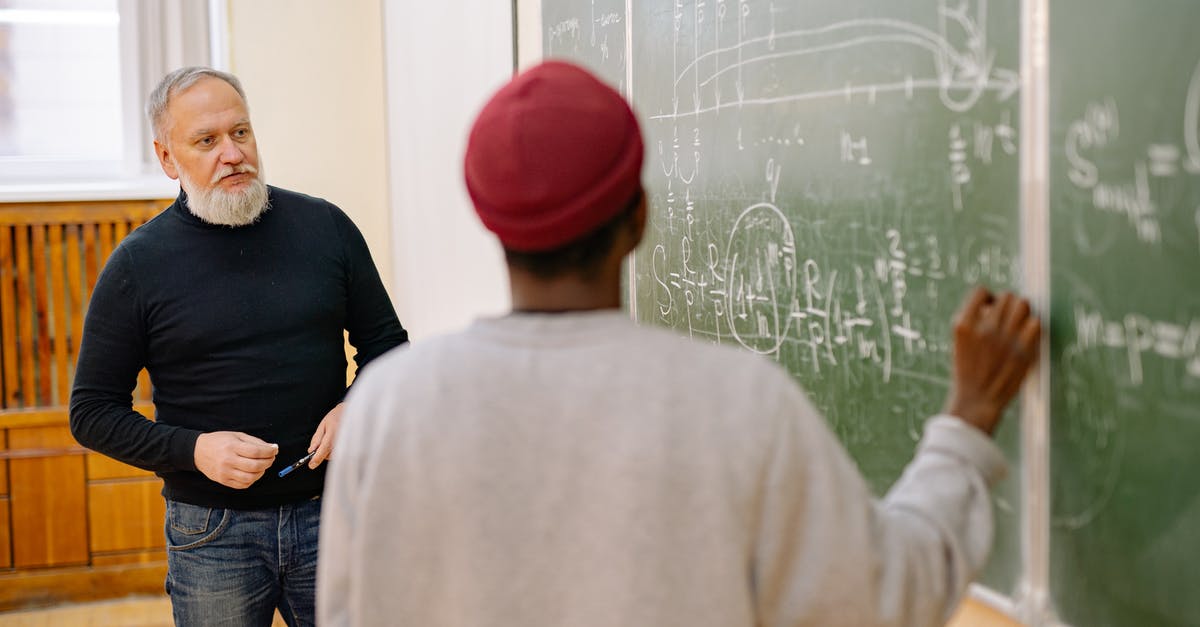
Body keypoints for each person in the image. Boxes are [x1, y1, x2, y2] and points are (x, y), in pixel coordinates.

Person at [317, 60, 1041, 627]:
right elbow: (881, 596)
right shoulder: (736, 401)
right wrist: (967, 421)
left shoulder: (389, 403)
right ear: (639, 217)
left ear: (491, 222)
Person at [69, 66, 408, 627]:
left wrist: (360, 405)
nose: (232, 154)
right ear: (167, 158)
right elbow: (92, 413)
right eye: (207, 140)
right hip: (211, 533)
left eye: (241, 132)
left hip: (333, 513)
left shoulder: (326, 227)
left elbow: (388, 347)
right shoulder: (138, 263)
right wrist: (193, 450)